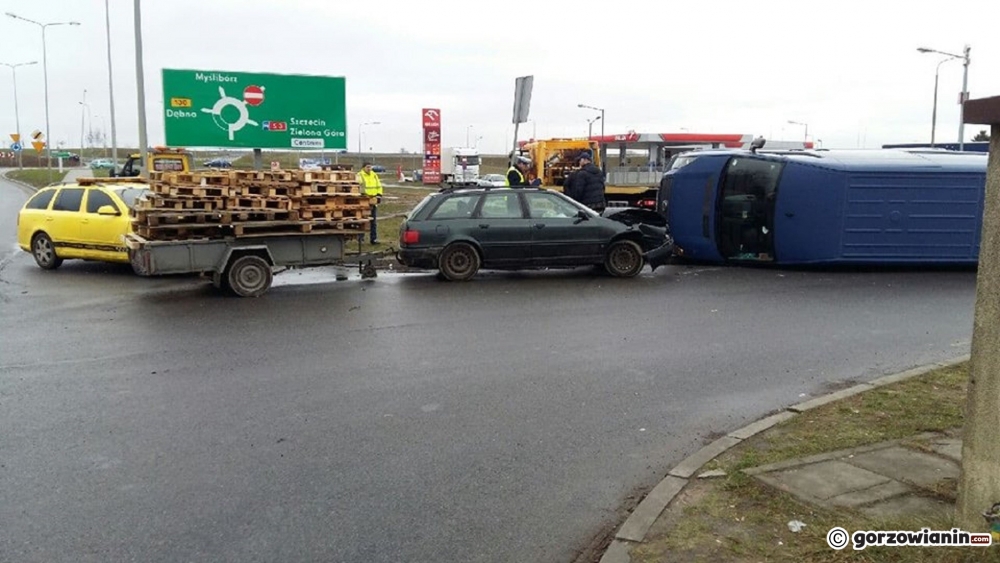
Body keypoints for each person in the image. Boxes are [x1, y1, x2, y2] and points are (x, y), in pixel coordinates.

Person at [356, 161, 383, 243]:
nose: (369, 168)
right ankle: (361, 238)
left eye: (370, 167)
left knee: (373, 221)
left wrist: (379, 195)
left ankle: (373, 239)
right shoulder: (359, 175)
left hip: (373, 200)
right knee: (363, 220)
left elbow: (379, 186)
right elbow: (357, 186)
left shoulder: (374, 175)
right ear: (363, 167)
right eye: (367, 167)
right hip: (363, 200)